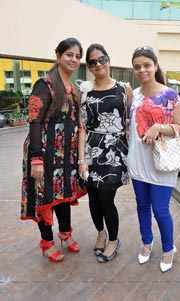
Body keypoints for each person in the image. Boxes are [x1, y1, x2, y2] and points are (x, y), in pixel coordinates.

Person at [21, 38, 87, 262]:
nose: (74, 59)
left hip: (65, 157)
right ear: (57, 55)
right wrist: (36, 159)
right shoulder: (45, 84)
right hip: (43, 154)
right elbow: (35, 121)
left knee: (64, 197)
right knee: (44, 198)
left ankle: (65, 233)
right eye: (69, 54)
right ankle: (47, 242)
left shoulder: (72, 89)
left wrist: (79, 158)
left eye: (78, 56)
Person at [127, 46, 180, 272]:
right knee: (142, 205)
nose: (142, 70)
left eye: (146, 65)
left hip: (162, 164)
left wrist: (158, 127)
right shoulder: (134, 96)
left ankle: (168, 248)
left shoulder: (171, 95)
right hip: (138, 161)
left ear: (155, 66)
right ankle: (146, 242)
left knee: (160, 210)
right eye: (137, 67)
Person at [77, 43, 132, 263]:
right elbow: (82, 127)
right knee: (93, 197)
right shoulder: (84, 91)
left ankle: (113, 240)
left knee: (106, 195)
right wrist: (82, 160)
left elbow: (130, 122)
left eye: (102, 59)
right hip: (91, 148)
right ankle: (101, 233)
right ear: (89, 67)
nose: (98, 64)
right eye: (92, 62)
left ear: (108, 60)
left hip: (116, 150)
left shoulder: (123, 88)